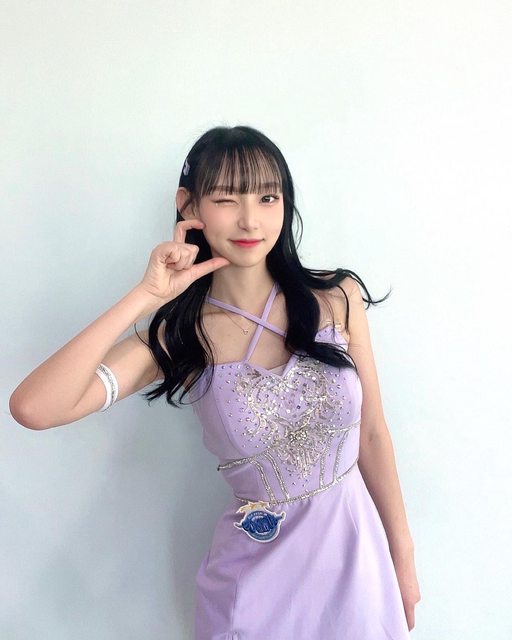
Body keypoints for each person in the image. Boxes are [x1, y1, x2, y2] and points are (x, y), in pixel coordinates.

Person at [10, 125, 421, 638]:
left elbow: (373, 435)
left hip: (358, 569)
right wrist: (146, 297)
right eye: (227, 199)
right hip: (252, 590)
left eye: (267, 197)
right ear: (189, 205)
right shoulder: (178, 339)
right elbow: (34, 408)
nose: (250, 219)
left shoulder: (336, 298)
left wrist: (403, 557)